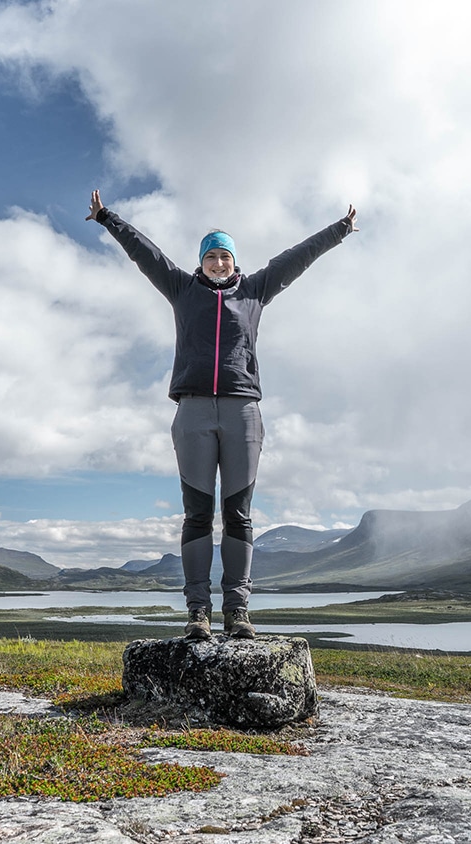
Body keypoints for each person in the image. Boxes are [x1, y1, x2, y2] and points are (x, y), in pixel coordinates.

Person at [87, 190, 358, 640]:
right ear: (201, 261)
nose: (218, 263)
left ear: (234, 261)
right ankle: (198, 613)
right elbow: (145, 253)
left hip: (242, 412)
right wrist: (106, 218)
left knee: (239, 515)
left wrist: (340, 230)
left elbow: (298, 258)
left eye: (224, 256)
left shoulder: (254, 291)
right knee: (197, 514)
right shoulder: (181, 288)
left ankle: (238, 612)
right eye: (211, 256)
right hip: (192, 412)